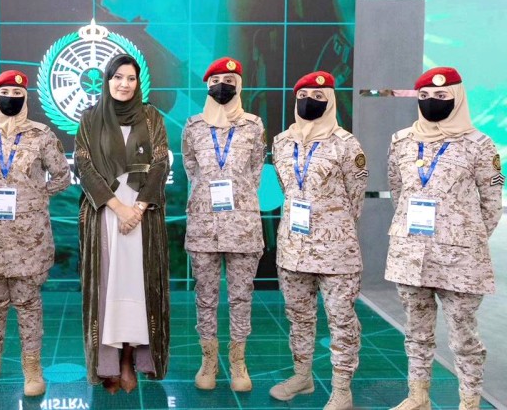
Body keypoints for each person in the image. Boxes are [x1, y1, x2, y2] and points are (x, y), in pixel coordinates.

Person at [386, 67, 503, 410]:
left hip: (460, 259)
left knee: (463, 337)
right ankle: (418, 396)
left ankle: (469, 402)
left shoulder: (480, 145)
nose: (431, 102)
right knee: (416, 332)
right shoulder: (401, 141)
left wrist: (464, 237)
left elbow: (491, 204)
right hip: (411, 254)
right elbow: (398, 191)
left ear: (457, 97)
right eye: (424, 96)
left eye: (441, 96)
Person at [0, 70, 70, 396]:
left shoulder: (40, 135)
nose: (11, 98)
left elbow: (61, 176)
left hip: (28, 240)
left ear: (25, 98)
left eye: (17, 94)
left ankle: (32, 368)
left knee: (28, 304)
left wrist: (36, 196)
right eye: (5, 93)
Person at [270, 71, 368, 409]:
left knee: (341, 321)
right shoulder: (281, 142)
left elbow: (356, 198)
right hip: (293, 249)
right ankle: (303, 377)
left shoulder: (347, 144)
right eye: (304, 95)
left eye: (318, 96)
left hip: (335, 251)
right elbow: (286, 187)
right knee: (299, 317)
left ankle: (342, 390)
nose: (310, 101)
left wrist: (330, 224)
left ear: (330, 101)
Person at [74, 53, 170, 394]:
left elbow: (160, 163)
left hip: (142, 214)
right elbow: (84, 166)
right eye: (117, 77)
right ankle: (108, 363)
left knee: (136, 287)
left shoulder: (151, 116)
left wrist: (138, 209)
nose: (124, 84)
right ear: (107, 80)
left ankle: (130, 360)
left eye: (130, 78)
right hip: (106, 214)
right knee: (108, 287)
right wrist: (118, 207)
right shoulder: (91, 118)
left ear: (138, 82)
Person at [181, 57, 265, 391]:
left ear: (239, 85)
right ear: (207, 86)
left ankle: (238, 363)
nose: (222, 86)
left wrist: (238, 197)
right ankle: (208, 361)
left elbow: (255, 171)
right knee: (205, 297)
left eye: (229, 80)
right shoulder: (193, 126)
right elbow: (191, 168)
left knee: (241, 297)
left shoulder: (253, 126)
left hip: (243, 228)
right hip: (203, 227)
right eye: (216, 80)